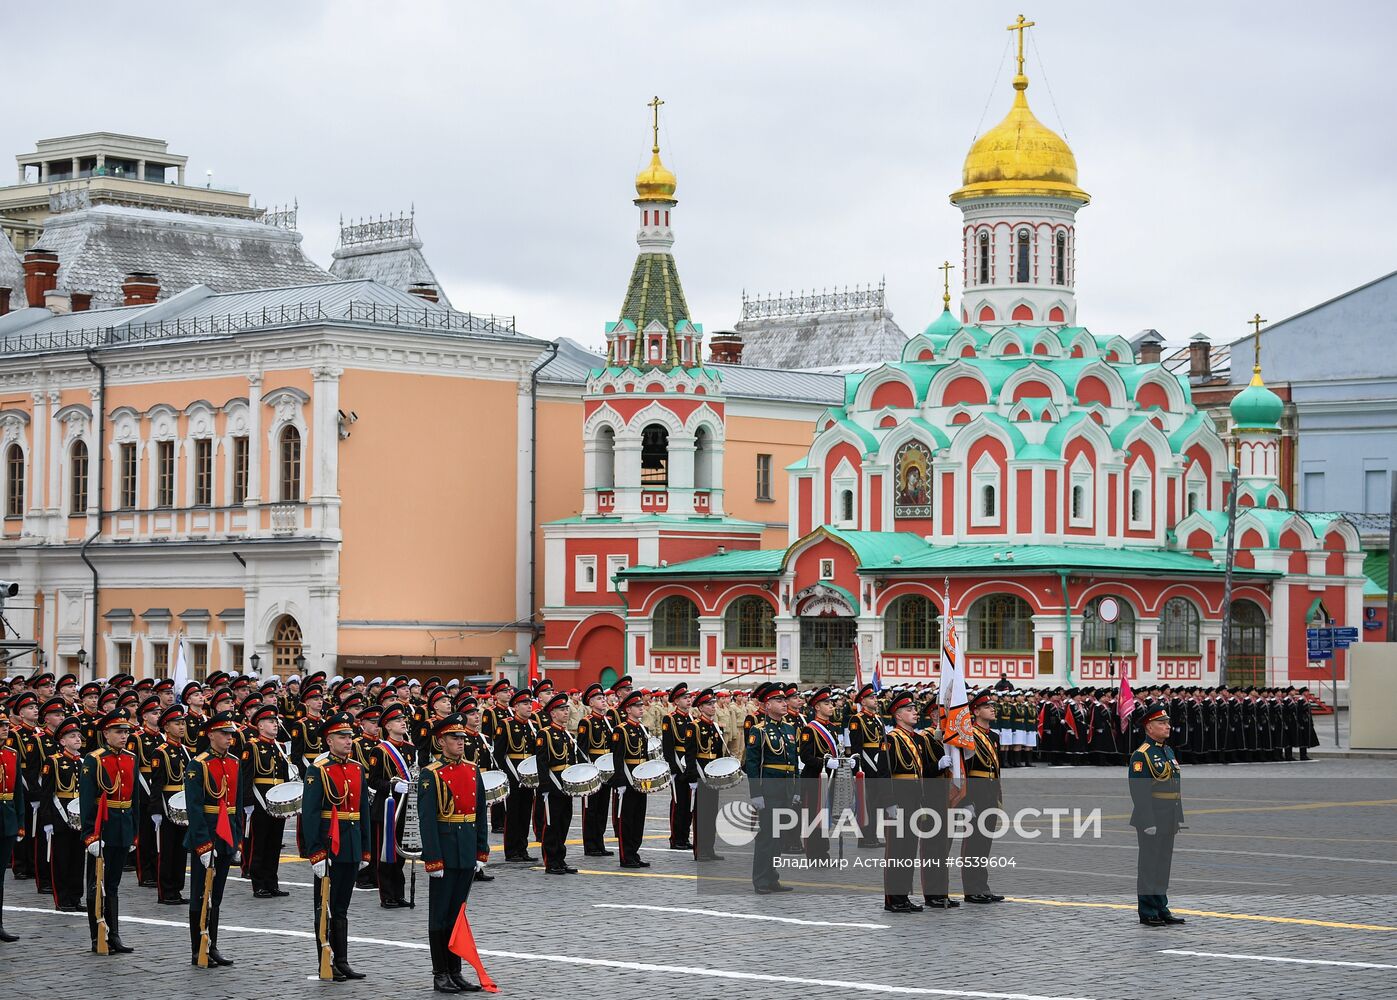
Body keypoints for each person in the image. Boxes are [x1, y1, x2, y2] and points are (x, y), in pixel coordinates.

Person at [419, 713, 490, 993]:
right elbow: (427, 819)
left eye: (462, 737)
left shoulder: (473, 770)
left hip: (465, 848)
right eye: (454, 737)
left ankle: (456, 971)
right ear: (441, 741)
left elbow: (480, 813)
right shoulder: (431, 774)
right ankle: (440, 972)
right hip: (445, 851)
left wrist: (480, 850)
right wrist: (433, 858)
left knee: (458, 914)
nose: (460, 742)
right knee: (440, 915)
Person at [302, 712, 369, 982]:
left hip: (351, 844)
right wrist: (316, 852)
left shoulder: (356, 768)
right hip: (330, 846)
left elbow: (363, 809)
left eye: (350, 736)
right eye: (342, 737)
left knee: (341, 907)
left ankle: (342, 960)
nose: (348, 741)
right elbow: (310, 814)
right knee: (325, 906)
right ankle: (326, 961)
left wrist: (365, 848)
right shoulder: (317, 770)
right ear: (329, 741)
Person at [184, 711, 243, 968]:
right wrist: (203, 843)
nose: (229, 738)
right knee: (200, 893)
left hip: (226, 833)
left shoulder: (234, 762)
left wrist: (237, 839)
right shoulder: (199, 764)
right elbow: (194, 808)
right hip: (206, 834)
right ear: (211, 735)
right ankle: (199, 948)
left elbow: (237, 804)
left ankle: (213, 945)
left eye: (231, 734)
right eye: (224, 734)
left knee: (216, 895)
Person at [80, 711, 138, 954]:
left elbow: (135, 798)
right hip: (102, 827)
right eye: (118, 732)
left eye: (126, 732)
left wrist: (134, 833)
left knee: (113, 884)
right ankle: (98, 936)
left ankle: (113, 934)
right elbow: (86, 801)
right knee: (97, 885)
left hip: (123, 826)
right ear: (106, 734)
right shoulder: (94, 760)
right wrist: (90, 835)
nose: (124, 736)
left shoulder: (131, 758)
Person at [1129, 706, 1185, 926]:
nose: (1168, 726)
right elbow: (1139, 793)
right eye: (1162, 723)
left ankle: (1162, 906)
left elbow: (1174, 787)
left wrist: (1177, 817)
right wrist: (1148, 821)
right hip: (1151, 818)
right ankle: (1147, 910)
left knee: (1163, 865)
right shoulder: (1141, 755)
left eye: (1167, 722)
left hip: (1168, 816)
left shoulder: (1167, 751)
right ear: (1149, 727)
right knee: (1149, 866)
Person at [743, 685, 797, 894]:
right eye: (779, 701)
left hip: (785, 790)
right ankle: (761, 880)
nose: (785, 704)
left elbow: (794, 762)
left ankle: (773, 877)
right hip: (769, 791)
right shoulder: (759, 730)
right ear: (768, 705)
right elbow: (752, 765)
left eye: (785, 700)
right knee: (767, 837)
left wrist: (797, 789)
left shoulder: (790, 729)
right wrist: (756, 794)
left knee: (779, 838)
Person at [241, 703, 290, 899]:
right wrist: (248, 803)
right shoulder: (251, 746)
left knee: (274, 844)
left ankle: (272, 882)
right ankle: (258, 884)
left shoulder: (279, 747)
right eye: (270, 721)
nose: (275, 724)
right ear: (260, 725)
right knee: (258, 844)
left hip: (277, 803)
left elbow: (284, 777)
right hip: (260, 804)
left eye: (275, 721)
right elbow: (246, 777)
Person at [370, 703, 416, 906]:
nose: (403, 722)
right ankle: (387, 895)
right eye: (398, 720)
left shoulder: (410, 748)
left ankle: (399, 893)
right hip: (387, 808)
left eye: (403, 719)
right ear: (387, 726)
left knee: (401, 853)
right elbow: (373, 780)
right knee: (386, 853)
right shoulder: (379, 751)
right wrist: (392, 785)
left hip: (406, 806)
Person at [961, 690, 1005, 904]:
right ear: (976, 711)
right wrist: (965, 799)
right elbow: (965, 769)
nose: (992, 709)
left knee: (985, 842)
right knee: (973, 843)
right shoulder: (969, 735)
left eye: (992, 706)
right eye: (987, 707)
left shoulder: (993, 736)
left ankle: (982, 886)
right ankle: (971, 889)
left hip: (989, 791)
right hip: (975, 791)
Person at [882, 691, 924, 913]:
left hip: (913, 801)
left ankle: (904, 896)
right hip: (898, 801)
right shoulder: (891, 739)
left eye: (914, 709)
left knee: (908, 850)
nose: (914, 712)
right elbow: (884, 773)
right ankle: (893, 899)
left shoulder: (915, 739)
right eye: (909, 710)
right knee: (896, 851)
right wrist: (889, 802)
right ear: (898, 715)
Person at [535, 691, 581, 875]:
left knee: (564, 822)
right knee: (552, 824)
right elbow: (542, 762)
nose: (565, 712)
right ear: (552, 713)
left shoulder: (567, 734)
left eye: (566, 709)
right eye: (561, 709)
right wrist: (545, 787)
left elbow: (571, 761)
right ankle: (551, 860)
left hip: (566, 785)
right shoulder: (544, 733)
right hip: (553, 785)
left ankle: (560, 858)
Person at [150, 705, 191, 905]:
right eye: (177, 723)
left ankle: (177, 889)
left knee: (181, 850)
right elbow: (156, 784)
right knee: (167, 850)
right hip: (168, 806)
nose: (182, 727)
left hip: (183, 806)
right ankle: (165, 891)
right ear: (166, 727)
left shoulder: (184, 750)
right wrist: (157, 810)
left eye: (183, 723)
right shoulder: (161, 752)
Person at [795, 686, 841, 864]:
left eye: (831, 703)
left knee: (825, 817)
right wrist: (825, 763)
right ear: (817, 707)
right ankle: (814, 854)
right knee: (814, 817)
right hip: (814, 779)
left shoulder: (832, 728)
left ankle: (824, 853)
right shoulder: (810, 730)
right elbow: (805, 757)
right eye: (826, 703)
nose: (831, 706)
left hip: (829, 779)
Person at [494, 688, 537, 863]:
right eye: (525, 704)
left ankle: (523, 848)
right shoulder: (506, 724)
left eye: (529, 704)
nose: (529, 707)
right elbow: (499, 754)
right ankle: (511, 851)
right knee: (512, 814)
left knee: (525, 813)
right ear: (516, 706)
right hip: (512, 775)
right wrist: (507, 776)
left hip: (529, 776)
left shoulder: (533, 725)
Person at [609, 689, 651, 868]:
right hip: (627, 779)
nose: (641, 708)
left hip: (641, 778)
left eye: (641, 705)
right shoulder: (621, 730)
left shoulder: (641, 729)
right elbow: (618, 759)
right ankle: (626, 856)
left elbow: (644, 756)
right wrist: (621, 782)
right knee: (626, 820)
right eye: (636, 706)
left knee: (638, 819)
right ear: (627, 709)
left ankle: (634, 851)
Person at [575, 683, 614, 858]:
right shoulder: (586, 722)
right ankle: (590, 844)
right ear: (590, 703)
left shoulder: (609, 721)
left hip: (607, 770)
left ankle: (600, 842)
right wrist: (588, 772)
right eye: (599, 699)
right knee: (591, 809)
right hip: (593, 769)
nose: (603, 701)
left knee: (602, 809)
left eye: (603, 698)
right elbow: (582, 750)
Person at [688, 688, 725, 862]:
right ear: (701, 708)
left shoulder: (716, 727)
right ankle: (700, 850)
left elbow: (719, 753)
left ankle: (709, 848)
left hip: (714, 775)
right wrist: (693, 778)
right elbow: (690, 754)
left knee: (712, 814)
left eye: (713, 703)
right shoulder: (694, 727)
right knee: (701, 815)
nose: (713, 707)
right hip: (701, 773)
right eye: (709, 704)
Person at [847, 683, 885, 848]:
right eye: (871, 697)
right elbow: (856, 748)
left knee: (876, 802)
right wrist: (857, 770)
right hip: (867, 766)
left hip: (878, 764)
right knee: (866, 802)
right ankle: (865, 837)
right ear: (862, 701)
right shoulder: (857, 719)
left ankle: (873, 835)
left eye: (875, 697)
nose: (875, 700)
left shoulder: (876, 718)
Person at [660, 683, 696, 851]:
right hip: (677, 765)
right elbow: (668, 746)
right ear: (676, 701)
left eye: (689, 698)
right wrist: (673, 769)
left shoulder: (691, 718)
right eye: (684, 698)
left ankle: (684, 837)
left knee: (689, 804)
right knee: (678, 804)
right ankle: (676, 838)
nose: (688, 700)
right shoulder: (670, 719)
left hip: (689, 765)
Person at [0, 707, 25, 942]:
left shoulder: (12, 754)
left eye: (6, 725)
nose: (5, 729)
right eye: (1, 726)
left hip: (6, 818)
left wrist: (20, 821)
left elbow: (17, 791)